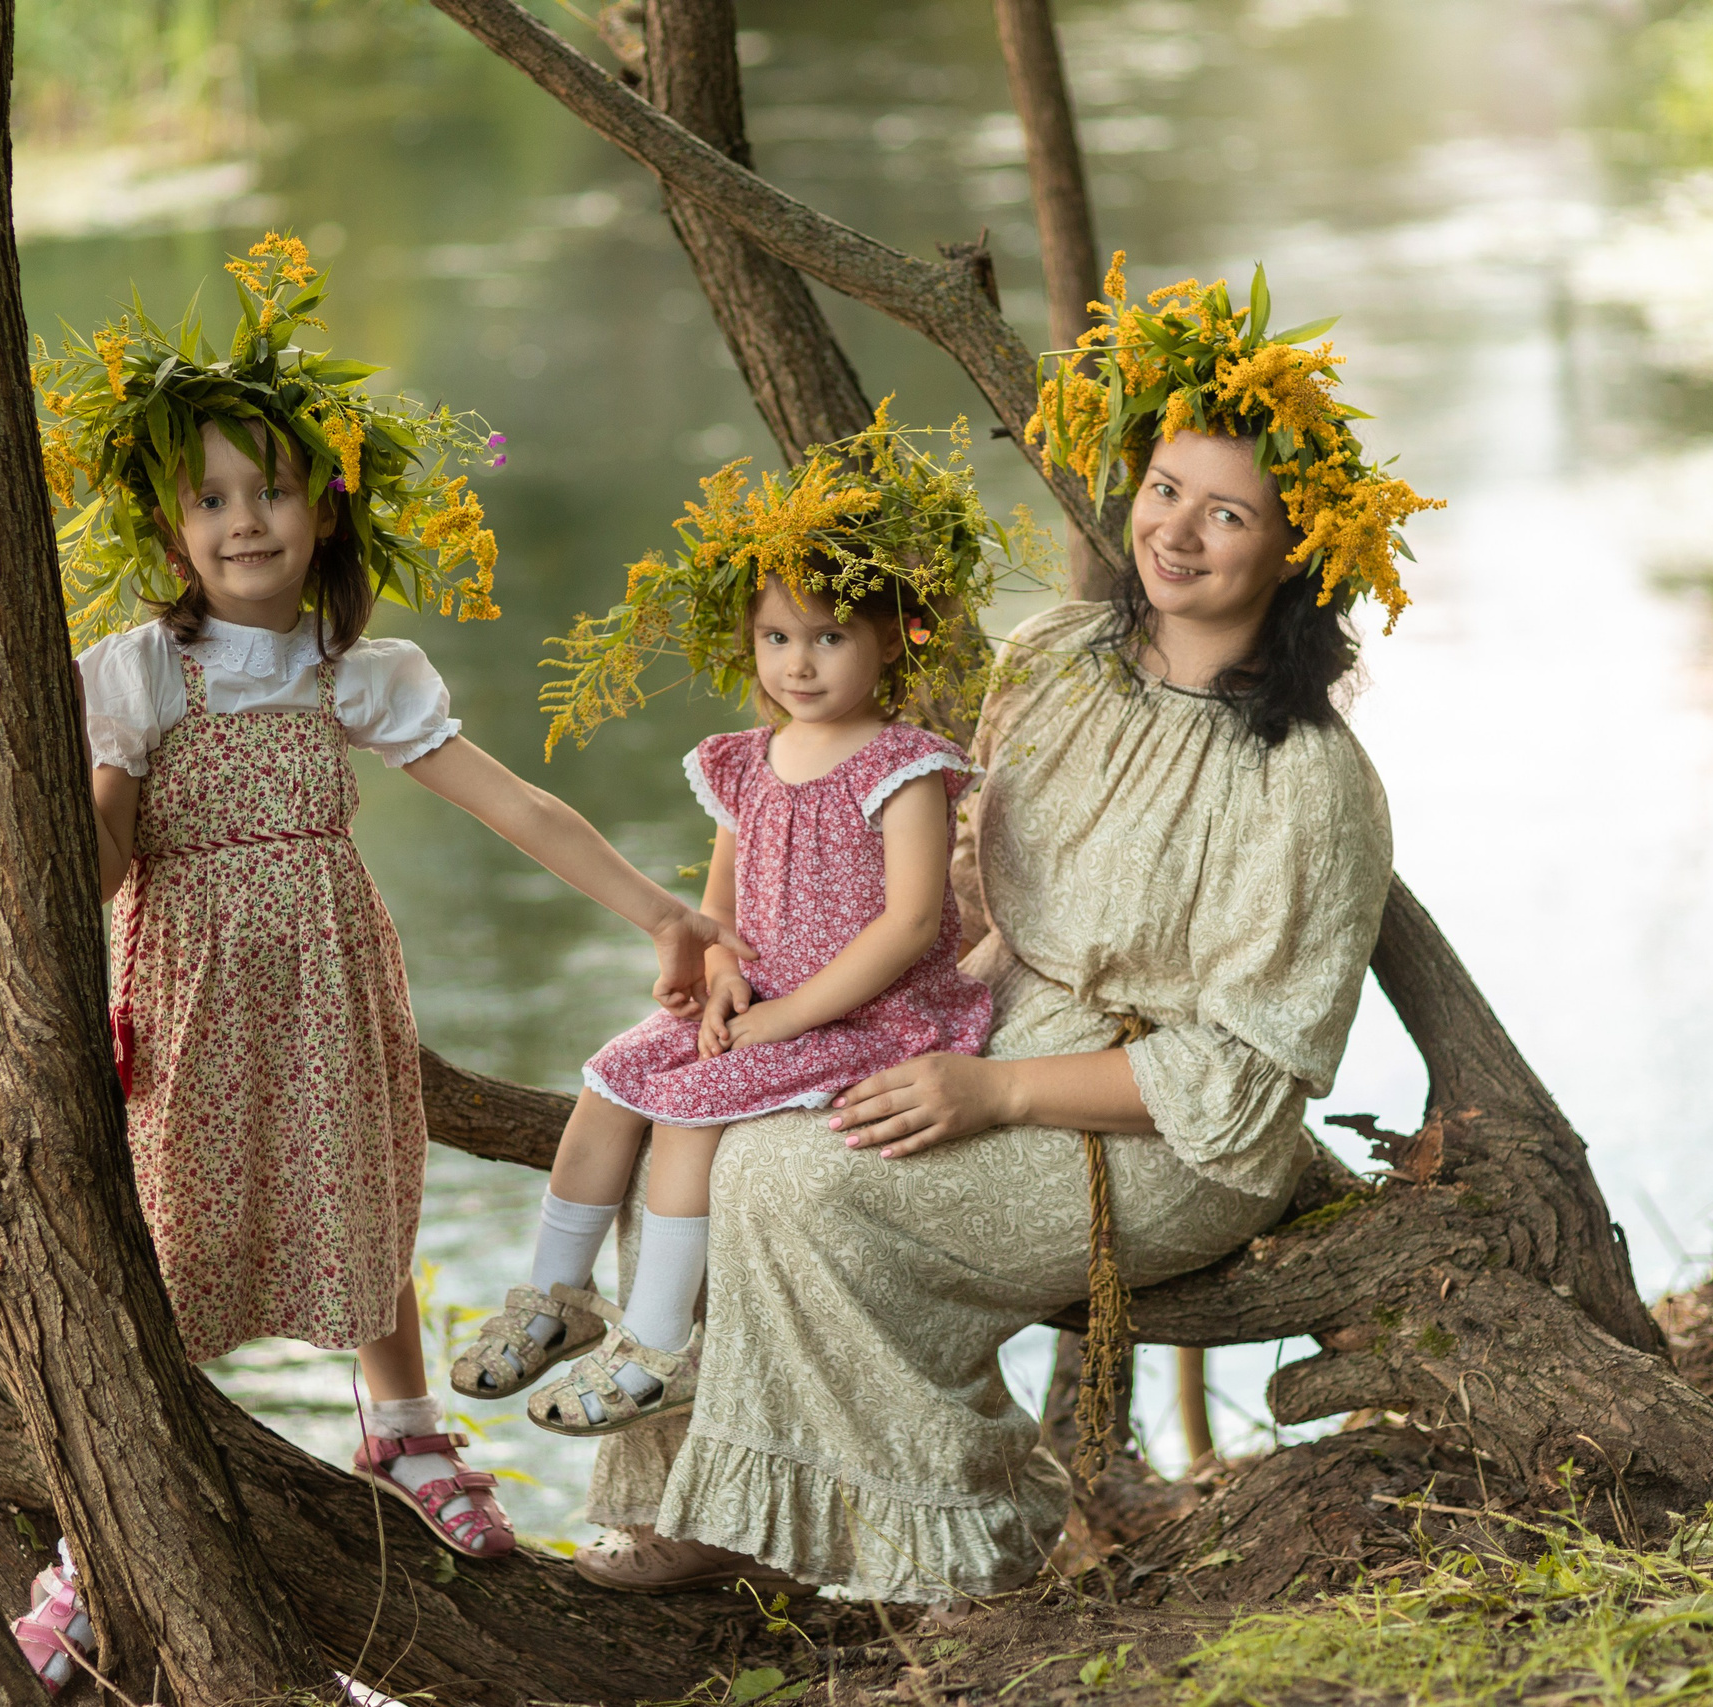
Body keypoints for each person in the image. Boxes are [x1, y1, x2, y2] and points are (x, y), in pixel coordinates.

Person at [568, 253, 1437, 1605]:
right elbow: (954, 897)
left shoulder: (1308, 782)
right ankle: (702, 1493)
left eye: (1230, 514)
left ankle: (965, 1534)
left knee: (798, 1180)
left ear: (1294, 547)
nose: (1181, 532)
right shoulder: (1055, 660)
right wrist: (750, 966)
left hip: (1158, 1123)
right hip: (988, 1011)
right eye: (1165, 491)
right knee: (709, 1106)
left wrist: (996, 1088)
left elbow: (1245, 1087)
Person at [8, 233, 748, 1686]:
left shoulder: (359, 672)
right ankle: (101, 1534)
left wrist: (663, 911)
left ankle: (403, 1426)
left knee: (361, 1182)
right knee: (166, 1232)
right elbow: (90, 862)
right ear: (170, 530)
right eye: (209, 498)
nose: (242, 520)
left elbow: (515, 801)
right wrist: (85, 798)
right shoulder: (147, 673)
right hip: (194, 992)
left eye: (270, 488)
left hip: (333, 977)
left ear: (325, 509)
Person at [449, 422, 1011, 1438]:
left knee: (691, 1104)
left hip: (867, 1012)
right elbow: (726, 908)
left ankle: (660, 1344)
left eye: (829, 637)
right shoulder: (744, 762)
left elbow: (911, 923)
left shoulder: (902, 766)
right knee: (615, 1072)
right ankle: (556, 1299)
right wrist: (718, 979)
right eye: (777, 638)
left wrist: (786, 1016)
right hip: (765, 997)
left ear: (890, 638)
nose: (799, 663)